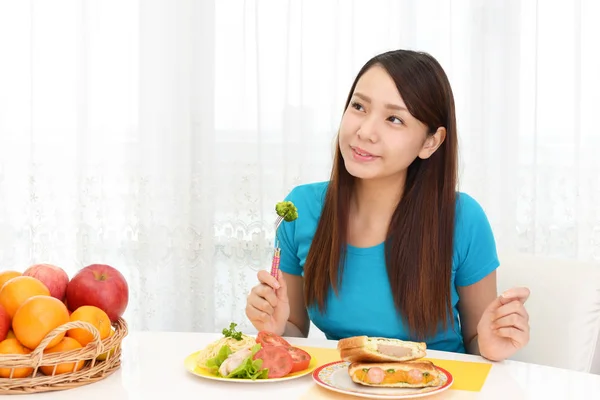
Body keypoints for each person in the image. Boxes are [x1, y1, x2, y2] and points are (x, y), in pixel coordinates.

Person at [245, 49, 530, 362]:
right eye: (359, 106)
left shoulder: (463, 220)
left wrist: (490, 345)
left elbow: (477, 341)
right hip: (342, 387)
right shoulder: (301, 209)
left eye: (394, 119)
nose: (365, 131)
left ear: (430, 142)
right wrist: (275, 327)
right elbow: (295, 332)